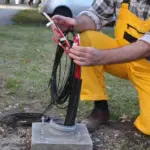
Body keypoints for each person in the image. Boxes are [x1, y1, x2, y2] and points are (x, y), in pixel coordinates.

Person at [52, 0, 150, 135]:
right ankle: (100, 109)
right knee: (86, 38)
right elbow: (95, 15)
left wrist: (101, 57)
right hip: (123, 55)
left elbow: (147, 47)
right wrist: (74, 23)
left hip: (147, 68)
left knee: (148, 127)